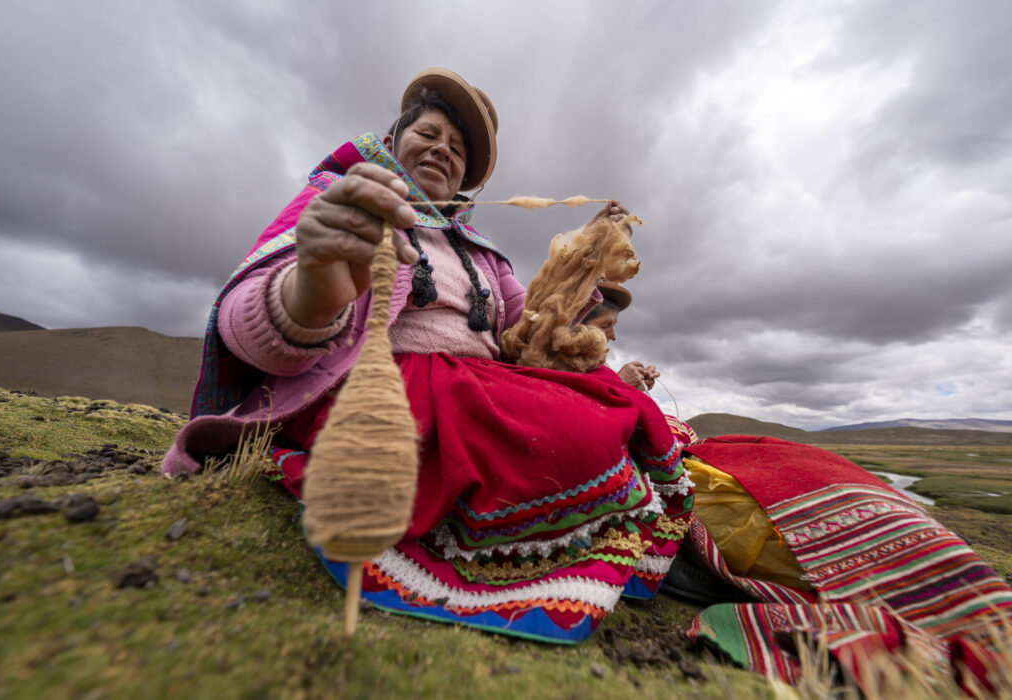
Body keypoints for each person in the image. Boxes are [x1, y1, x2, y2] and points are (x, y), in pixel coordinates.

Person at [162, 68, 694, 643]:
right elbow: (245, 322)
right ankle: (626, 544)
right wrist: (309, 295)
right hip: (386, 388)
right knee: (574, 432)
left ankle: (647, 538)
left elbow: (531, 334)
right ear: (393, 142)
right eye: (430, 134)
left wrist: (585, 255)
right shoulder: (341, 204)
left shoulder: (484, 256)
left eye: (458, 149)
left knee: (619, 403)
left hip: (481, 386)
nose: (443, 150)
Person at [582, 281, 660, 391]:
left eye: (613, 326)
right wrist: (619, 382)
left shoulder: (597, 368)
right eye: (604, 326)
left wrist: (636, 386)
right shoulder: (554, 365)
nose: (613, 336)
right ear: (576, 323)